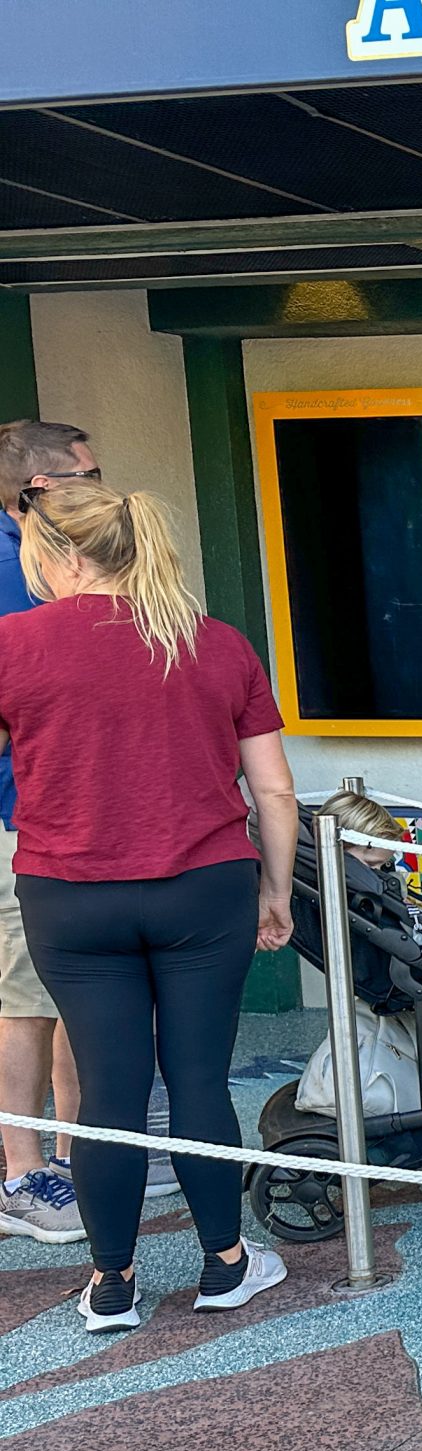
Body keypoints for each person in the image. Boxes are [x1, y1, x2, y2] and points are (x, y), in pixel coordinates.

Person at [0, 480, 299, 1332]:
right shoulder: (214, 643)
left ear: (64, 556)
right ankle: (225, 1266)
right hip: (204, 890)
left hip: (69, 897)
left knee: (107, 1093)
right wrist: (273, 892)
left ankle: (112, 1285)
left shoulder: (12, 644)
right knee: (200, 1080)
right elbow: (272, 791)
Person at [0, 421, 95, 1245]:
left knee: (67, 999)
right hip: (18, 818)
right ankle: (24, 1173)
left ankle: (79, 1155)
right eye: (85, 477)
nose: (101, 489)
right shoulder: (12, 566)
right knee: (26, 999)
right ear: (34, 489)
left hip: (62, 817)